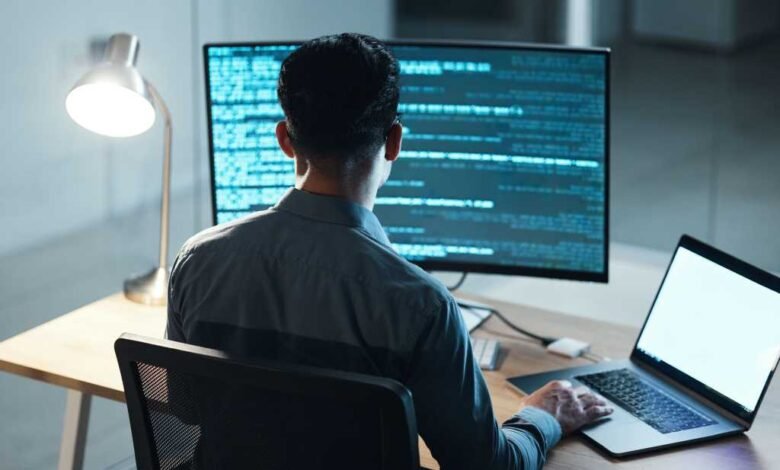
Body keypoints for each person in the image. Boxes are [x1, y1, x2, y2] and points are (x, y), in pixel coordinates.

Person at [167, 32, 612, 469]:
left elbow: (184, 409)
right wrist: (543, 417)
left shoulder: (197, 260)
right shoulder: (420, 306)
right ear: (395, 141)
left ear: (285, 138)